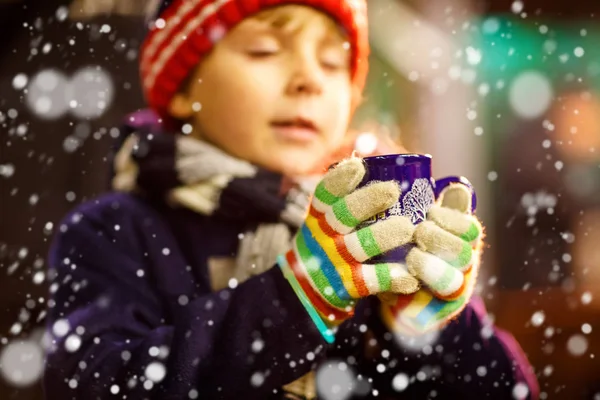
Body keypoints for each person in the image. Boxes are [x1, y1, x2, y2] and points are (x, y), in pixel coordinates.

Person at [43, 1, 539, 399]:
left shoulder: (372, 232)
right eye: (263, 50)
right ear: (179, 87)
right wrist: (296, 298)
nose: (309, 79)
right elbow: (93, 384)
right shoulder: (114, 228)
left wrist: (429, 328)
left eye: (333, 61)